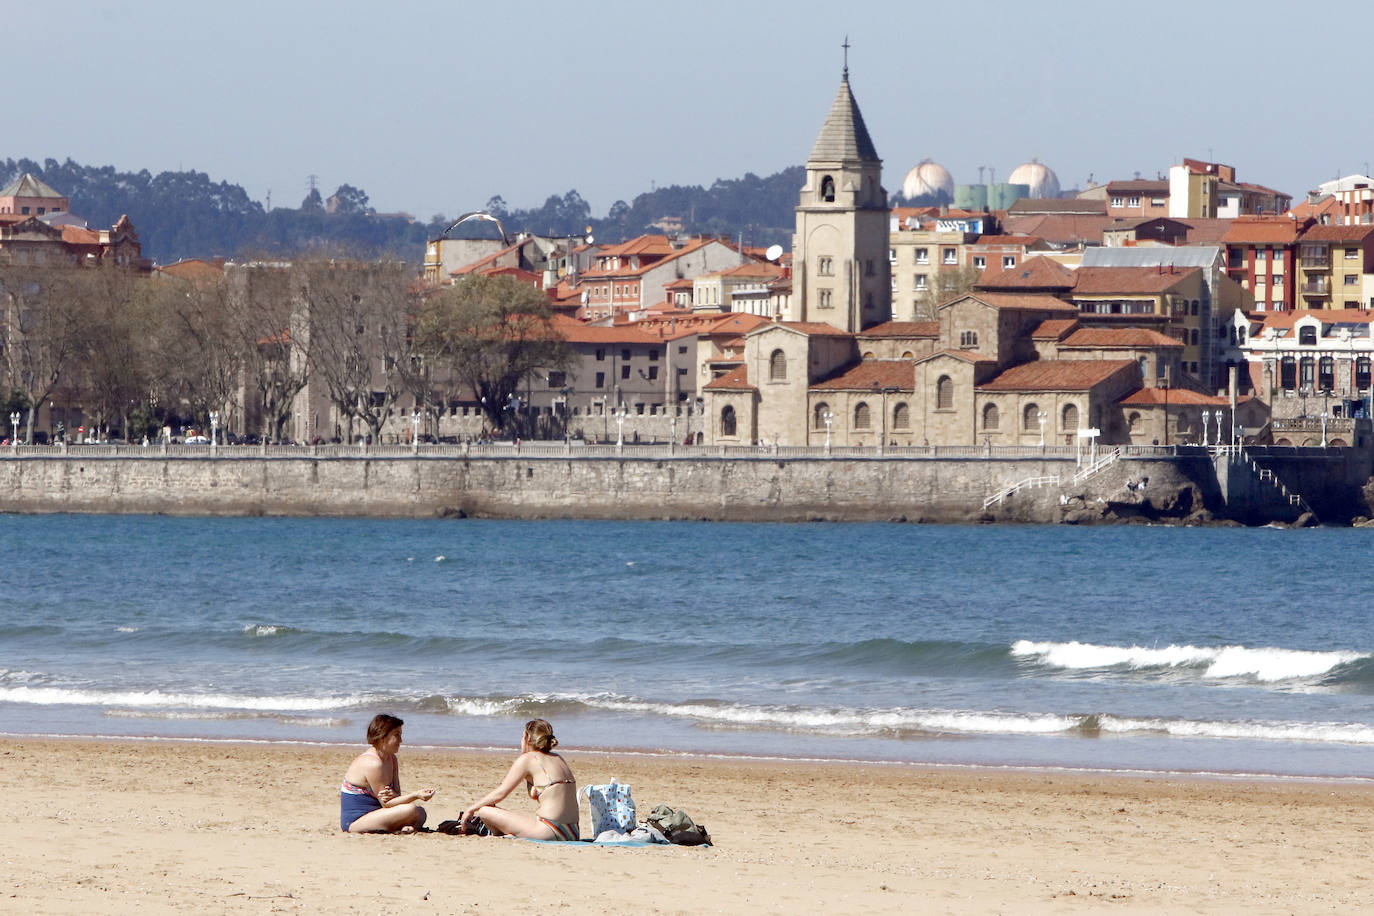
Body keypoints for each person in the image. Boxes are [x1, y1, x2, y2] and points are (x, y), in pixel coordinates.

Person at [458, 719, 579, 840]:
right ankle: (509, 835)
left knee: (485, 811)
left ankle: (501, 836)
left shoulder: (528, 759)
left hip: (549, 830)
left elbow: (501, 792)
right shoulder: (558, 758)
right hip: (572, 832)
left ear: (528, 738)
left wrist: (471, 809)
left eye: (522, 737)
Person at [339, 713, 434, 833]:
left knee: (421, 812)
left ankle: (404, 828)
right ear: (382, 736)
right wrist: (415, 795)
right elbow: (387, 804)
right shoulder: (373, 763)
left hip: (378, 813)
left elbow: (397, 795)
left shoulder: (392, 759)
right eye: (396, 735)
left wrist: (395, 795)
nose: (401, 740)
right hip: (356, 821)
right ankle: (403, 827)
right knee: (411, 810)